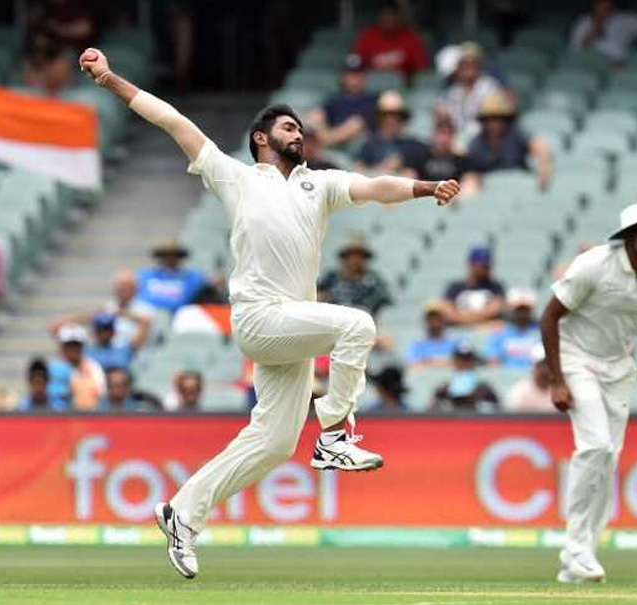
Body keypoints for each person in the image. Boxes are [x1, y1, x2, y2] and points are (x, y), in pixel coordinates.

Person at [79, 46, 460, 579]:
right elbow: (172, 119)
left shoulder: (318, 184)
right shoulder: (235, 176)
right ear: (262, 138)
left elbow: (375, 187)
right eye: (287, 127)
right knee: (358, 324)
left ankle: (181, 515)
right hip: (260, 319)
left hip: (293, 326)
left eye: (300, 127)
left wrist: (425, 188)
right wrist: (111, 80)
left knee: (275, 442)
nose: (298, 132)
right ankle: (334, 437)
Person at [540, 201, 637, 583]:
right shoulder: (594, 265)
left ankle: (581, 558)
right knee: (596, 446)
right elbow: (549, 316)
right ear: (630, 237)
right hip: (576, 358)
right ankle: (575, 548)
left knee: (609, 460)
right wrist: (556, 379)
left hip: (619, 368)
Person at [464, 92, 552, 192]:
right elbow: (470, 172)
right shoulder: (476, 143)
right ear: (484, 121)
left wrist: (544, 171)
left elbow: (540, 148)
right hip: (491, 191)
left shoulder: (517, 134)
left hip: (520, 188)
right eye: (490, 118)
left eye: (500, 118)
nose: (495, 123)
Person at [306, 54, 378, 149]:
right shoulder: (334, 99)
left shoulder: (372, 99)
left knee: (356, 123)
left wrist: (326, 139)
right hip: (329, 142)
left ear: (365, 76)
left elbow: (358, 125)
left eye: (358, 74)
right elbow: (317, 115)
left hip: (358, 146)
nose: (354, 79)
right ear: (343, 77)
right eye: (350, 74)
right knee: (315, 115)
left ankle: (324, 143)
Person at [317, 236, 393, 319]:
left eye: (360, 257)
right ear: (345, 258)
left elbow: (385, 301)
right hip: (333, 318)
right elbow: (316, 293)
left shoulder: (373, 280)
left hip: (363, 320)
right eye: (352, 256)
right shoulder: (332, 277)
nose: (356, 260)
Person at [437, 42, 502, 138]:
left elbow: (493, 122)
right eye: (465, 64)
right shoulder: (453, 91)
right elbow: (444, 113)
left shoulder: (490, 87)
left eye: (472, 63)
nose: (468, 68)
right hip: (457, 138)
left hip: (483, 140)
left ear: (479, 65)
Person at [353, 2, 428, 84]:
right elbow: (357, 65)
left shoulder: (410, 38)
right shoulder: (368, 37)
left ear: (399, 18)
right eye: (386, 16)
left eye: (392, 16)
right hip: (373, 87)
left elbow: (421, 68)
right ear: (379, 17)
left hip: (403, 87)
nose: (389, 20)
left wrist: (406, 75)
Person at [355, 91, 428, 175]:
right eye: (385, 115)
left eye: (395, 116)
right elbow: (358, 171)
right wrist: (385, 168)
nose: (390, 120)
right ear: (379, 118)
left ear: (402, 119)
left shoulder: (413, 145)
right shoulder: (369, 145)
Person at [136, 240, 208, 313]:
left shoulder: (191, 277)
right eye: (166, 255)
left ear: (179, 257)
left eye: (174, 255)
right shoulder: (147, 275)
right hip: (149, 314)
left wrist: (157, 299)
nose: (170, 259)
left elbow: (183, 301)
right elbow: (142, 298)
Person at [47, 323, 106, 410]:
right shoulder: (53, 369)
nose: (72, 349)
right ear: (62, 347)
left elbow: (100, 394)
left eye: (75, 345)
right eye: (68, 345)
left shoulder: (93, 368)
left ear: (82, 346)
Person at [442, 246, 505, 327]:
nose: (487, 268)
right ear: (471, 264)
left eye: (487, 265)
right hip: (464, 332)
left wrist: (460, 319)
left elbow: (495, 309)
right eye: (483, 265)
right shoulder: (455, 287)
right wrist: (484, 322)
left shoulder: (496, 286)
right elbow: (448, 313)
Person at [406, 116, 475, 188]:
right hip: (423, 194)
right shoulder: (420, 155)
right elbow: (409, 175)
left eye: (448, 134)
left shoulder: (461, 160)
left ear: (453, 137)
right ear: (433, 134)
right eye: (441, 133)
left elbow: (471, 179)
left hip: (451, 195)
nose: (443, 138)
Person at [485, 286, 542, 368]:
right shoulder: (500, 332)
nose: (522, 313)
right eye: (518, 309)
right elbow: (493, 360)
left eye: (525, 309)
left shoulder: (542, 331)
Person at [432, 343, 499, 412]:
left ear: (474, 363)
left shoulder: (485, 390)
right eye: (459, 360)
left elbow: (497, 413)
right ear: (454, 363)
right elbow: (432, 413)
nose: (463, 364)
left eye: (467, 360)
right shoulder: (443, 389)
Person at [102, 270, 157, 347]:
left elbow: (141, 341)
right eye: (120, 287)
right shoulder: (109, 306)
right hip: (110, 350)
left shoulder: (146, 309)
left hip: (137, 353)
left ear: (135, 289)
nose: (123, 291)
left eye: (127, 287)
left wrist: (125, 314)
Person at [405, 299, 464, 368]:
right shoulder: (418, 345)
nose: (434, 323)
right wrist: (447, 362)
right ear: (425, 321)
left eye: (437, 318)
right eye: (431, 319)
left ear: (444, 320)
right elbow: (413, 365)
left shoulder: (457, 343)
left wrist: (428, 361)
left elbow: (465, 363)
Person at [504, 347, 556, 413]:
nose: (545, 369)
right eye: (541, 365)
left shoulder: (563, 391)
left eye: (549, 364)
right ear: (533, 367)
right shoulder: (519, 392)